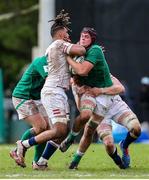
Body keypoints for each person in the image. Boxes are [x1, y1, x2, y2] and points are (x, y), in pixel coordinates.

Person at [60, 27, 141, 169]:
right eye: (81, 37)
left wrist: (99, 90)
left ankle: (124, 145)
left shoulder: (98, 70)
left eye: (86, 37)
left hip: (114, 103)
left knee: (136, 129)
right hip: (100, 109)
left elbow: (120, 89)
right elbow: (82, 108)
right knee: (108, 144)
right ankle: (76, 162)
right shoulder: (79, 85)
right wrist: (80, 93)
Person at [14, 9, 86, 169]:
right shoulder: (59, 44)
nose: (69, 37)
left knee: (61, 131)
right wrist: (85, 48)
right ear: (60, 35)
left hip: (52, 93)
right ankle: (23, 146)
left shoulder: (57, 49)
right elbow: (80, 50)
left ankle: (40, 162)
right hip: (35, 94)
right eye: (67, 33)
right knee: (45, 128)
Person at [10, 55, 52, 168]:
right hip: (23, 96)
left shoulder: (58, 62)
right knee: (41, 127)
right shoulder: (42, 61)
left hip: (36, 97)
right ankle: (20, 148)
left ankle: (36, 162)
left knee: (48, 129)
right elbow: (50, 79)